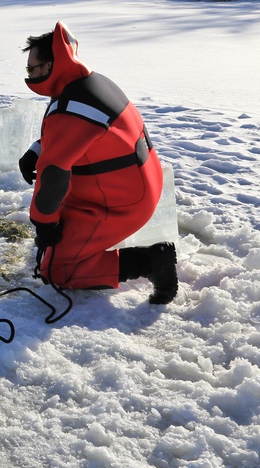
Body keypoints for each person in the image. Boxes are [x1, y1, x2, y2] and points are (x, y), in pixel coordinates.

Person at [18, 21, 178, 304]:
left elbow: (54, 174)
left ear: (53, 64)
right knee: (55, 238)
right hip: (135, 179)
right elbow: (78, 137)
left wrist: (44, 224)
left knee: (55, 268)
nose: (29, 76)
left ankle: (151, 262)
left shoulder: (71, 107)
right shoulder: (86, 83)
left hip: (122, 200)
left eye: (33, 69)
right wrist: (36, 149)